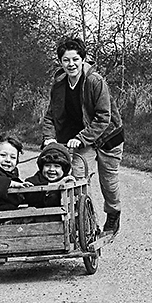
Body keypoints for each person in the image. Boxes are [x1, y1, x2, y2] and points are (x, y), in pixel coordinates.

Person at [42, 36, 124, 236]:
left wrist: (81, 137)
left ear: (83, 60)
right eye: (66, 60)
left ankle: (113, 214)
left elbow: (104, 117)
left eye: (75, 59)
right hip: (82, 140)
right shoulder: (59, 85)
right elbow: (50, 116)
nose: (71, 64)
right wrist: (49, 138)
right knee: (76, 179)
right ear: (60, 62)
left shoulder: (95, 82)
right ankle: (82, 221)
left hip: (107, 138)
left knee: (108, 182)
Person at [25, 142, 75, 208]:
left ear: (64, 169)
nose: (51, 169)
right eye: (47, 165)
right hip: (37, 215)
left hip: (60, 216)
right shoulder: (34, 180)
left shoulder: (67, 180)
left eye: (57, 166)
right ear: (42, 167)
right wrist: (56, 185)